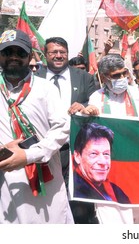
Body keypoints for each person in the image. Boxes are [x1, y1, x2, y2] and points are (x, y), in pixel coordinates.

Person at [0, 29, 73, 223]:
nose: (14, 57)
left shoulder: (45, 88)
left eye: (20, 53)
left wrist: (28, 155)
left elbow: (62, 128)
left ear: (30, 56)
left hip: (46, 178)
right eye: (8, 52)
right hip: (6, 182)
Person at [82, 54, 139, 224]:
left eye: (124, 73)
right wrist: (87, 113)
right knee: (111, 217)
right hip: (108, 170)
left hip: (133, 165)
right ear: (103, 77)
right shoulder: (96, 98)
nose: (122, 78)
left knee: (136, 218)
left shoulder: (137, 95)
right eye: (116, 75)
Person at [36, 36, 97, 223]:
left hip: (75, 151)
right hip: (44, 151)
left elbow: (96, 104)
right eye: (54, 52)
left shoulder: (85, 78)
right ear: (45, 55)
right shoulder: (34, 78)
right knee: (47, 202)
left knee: (79, 205)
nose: (58, 55)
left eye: (62, 52)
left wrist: (84, 106)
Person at [73, 122, 130, 203]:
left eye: (106, 154)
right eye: (94, 154)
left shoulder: (117, 191)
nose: (103, 162)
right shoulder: (72, 190)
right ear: (77, 156)